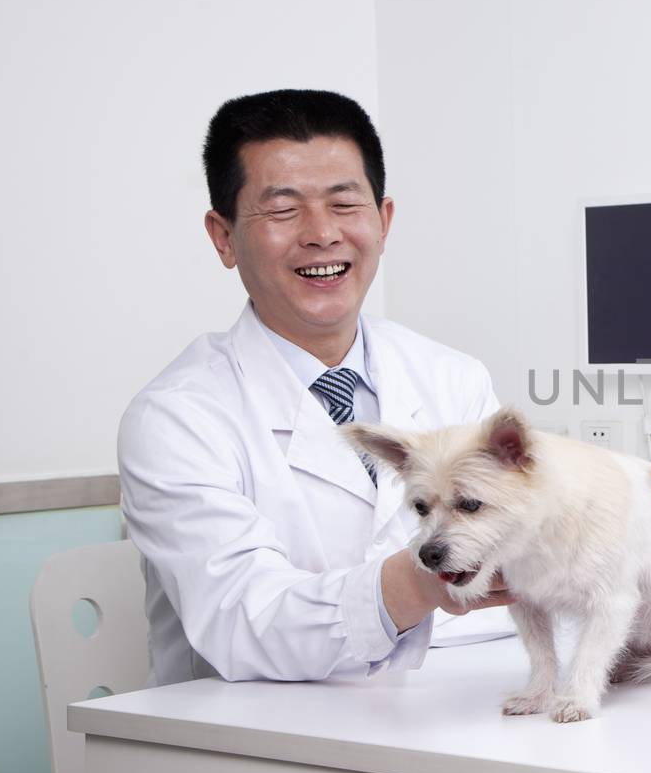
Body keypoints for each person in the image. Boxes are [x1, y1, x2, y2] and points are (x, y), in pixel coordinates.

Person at [119, 89, 514, 685]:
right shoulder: (177, 419)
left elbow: (513, 580)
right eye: (282, 210)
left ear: (382, 222)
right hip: (261, 747)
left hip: (452, 710)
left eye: (344, 203)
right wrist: (419, 583)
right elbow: (246, 625)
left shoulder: (453, 379)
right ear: (223, 236)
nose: (321, 233)